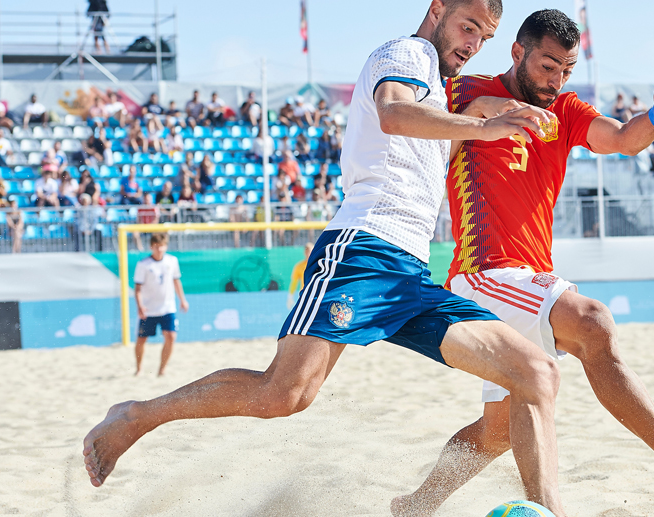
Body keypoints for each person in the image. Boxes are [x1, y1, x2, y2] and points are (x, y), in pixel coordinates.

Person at [83, 2, 572, 515]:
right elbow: (394, 112)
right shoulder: (406, 52)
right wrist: (484, 126)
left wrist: (487, 115)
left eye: (484, 37)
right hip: (362, 249)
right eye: (467, 27)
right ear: (437, 9)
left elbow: (439, 134)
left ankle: (519, 511)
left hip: (410, 271)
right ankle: (137, 415)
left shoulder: (441, 85)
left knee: (535, 372)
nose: (472, 45)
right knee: (284, 395)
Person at [393, 10, 654, 515]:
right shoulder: (466, 91)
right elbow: (432, 119)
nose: (556, 79)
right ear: (517, 52)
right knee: (592, 321)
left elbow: (623, 140)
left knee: (497, 429)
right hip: (484, 271)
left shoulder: (564, 107)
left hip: (528, 276)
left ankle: (415, 505)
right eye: (547, 66)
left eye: (566, 69)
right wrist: (493, 109)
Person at [133, 233, 189, 376]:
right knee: (141, 340)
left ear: (166, 246)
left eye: (162, 247)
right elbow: (137, 289)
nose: (160, 250)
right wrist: (140, 306)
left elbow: (176, 281)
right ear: (152, 247)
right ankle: (139, 368)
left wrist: (183, 299)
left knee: (171, 337)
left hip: (167, 307)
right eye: (157, 247)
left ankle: (162, 369)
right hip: (149, 309)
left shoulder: (172, 260)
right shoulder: (143, 264)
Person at [287, 242, 314, 309]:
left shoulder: (318, 264)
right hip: (304, 295)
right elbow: (294, 282)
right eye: (307, 251)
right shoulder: (299, 266)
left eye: (310, 251)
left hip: (316, 294)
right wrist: (290, 296)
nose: (308, 253)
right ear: (304, 252)